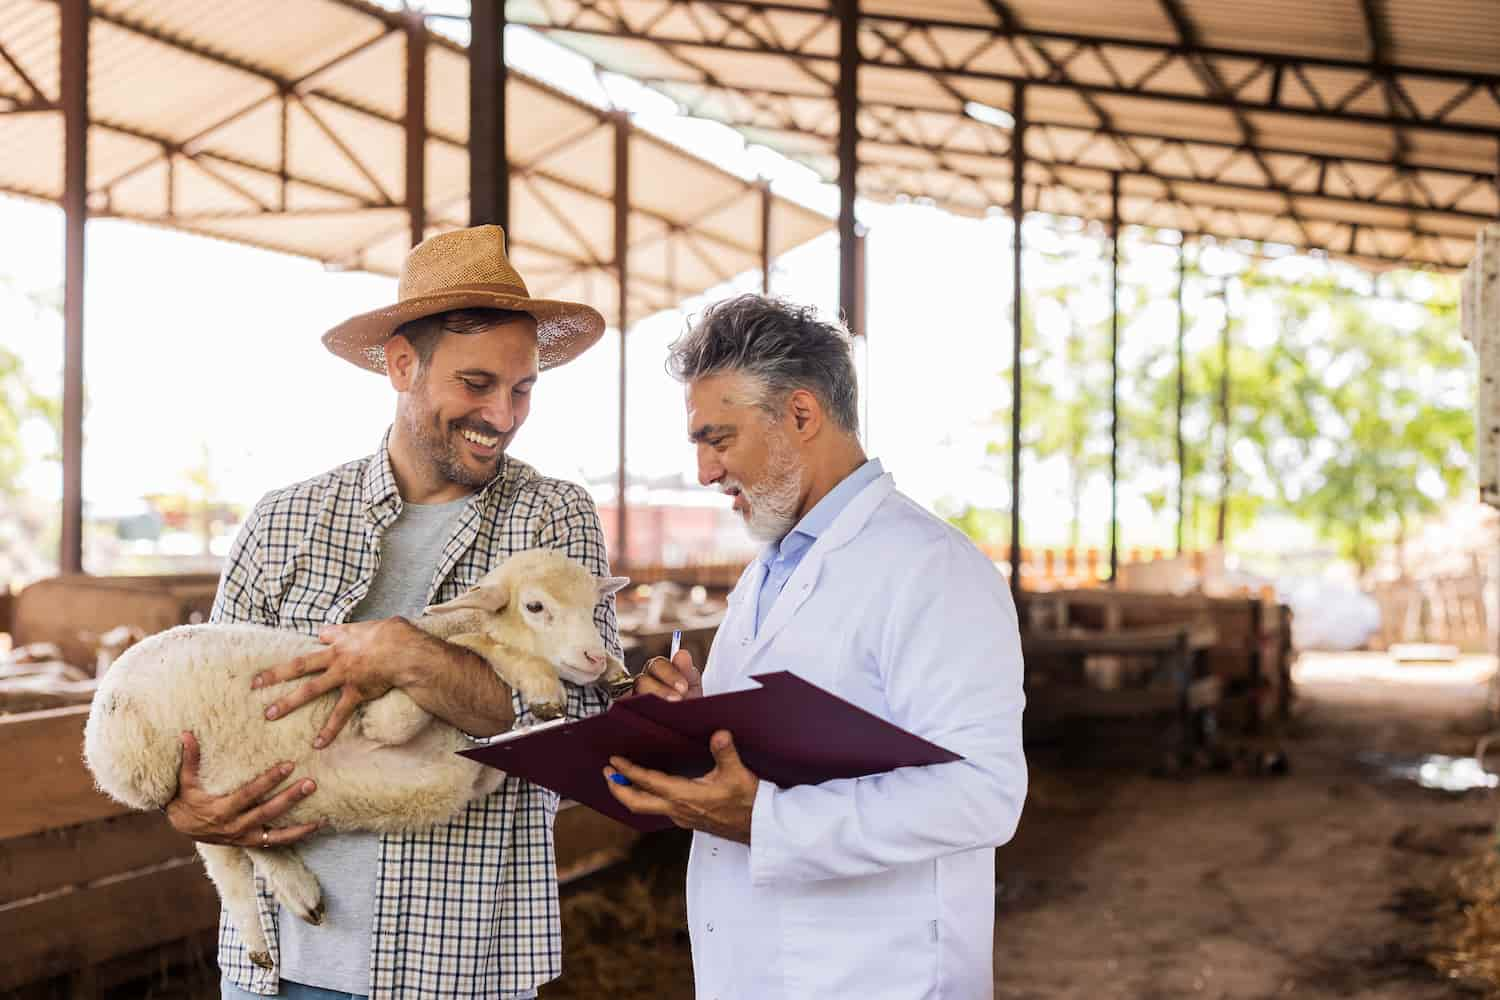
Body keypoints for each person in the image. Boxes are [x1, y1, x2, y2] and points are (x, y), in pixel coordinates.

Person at [161, 225, 622, 999]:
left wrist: (413, 657)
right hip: (283, 961)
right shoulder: (286, 521)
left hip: (460, 962)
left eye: (523, 389)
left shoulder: (550, 520)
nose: (504, 416)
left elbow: (580, 725)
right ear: (404, 366)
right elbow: (196, 700)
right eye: (477, 385)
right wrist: (190, 806)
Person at [606, 294, 1027, 999]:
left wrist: (769, 821)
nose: (707, 471)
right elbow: (789, 727)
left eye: (719, 438)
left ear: (801, 415)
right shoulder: (770, 569)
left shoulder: (932, 568)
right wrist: (694, 717)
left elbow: (985, 793)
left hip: (875, 974)